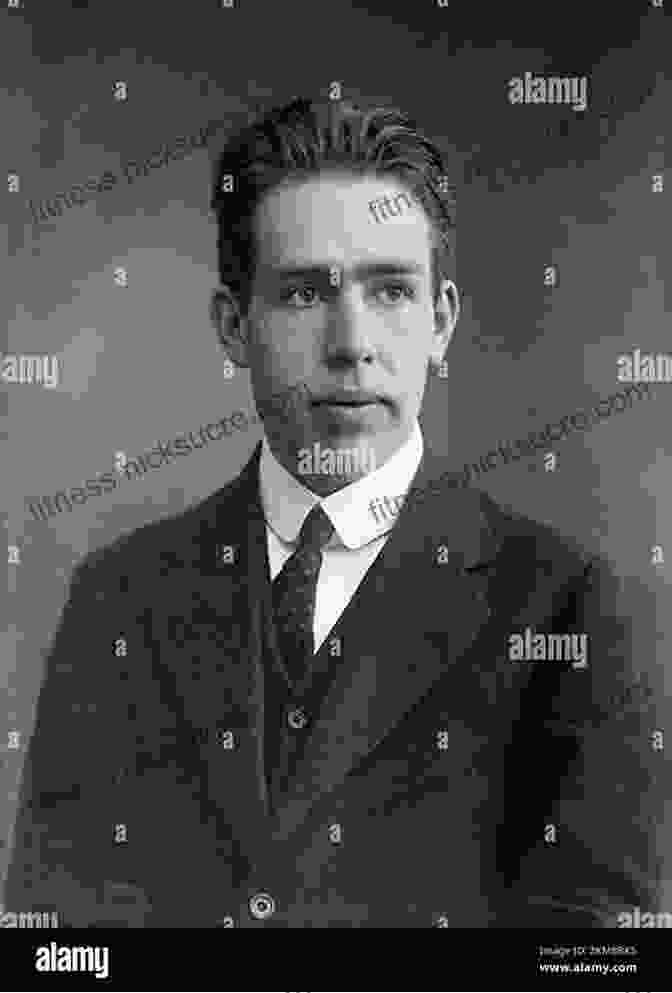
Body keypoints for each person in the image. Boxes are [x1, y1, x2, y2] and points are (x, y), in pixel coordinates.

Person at [4, 97, 661, 928]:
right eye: (306, 292)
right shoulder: (117, 597)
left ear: (441, 322)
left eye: (391, 290)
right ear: (233, 326)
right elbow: (55, 936)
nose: (351, 341)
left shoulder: (569, 606)